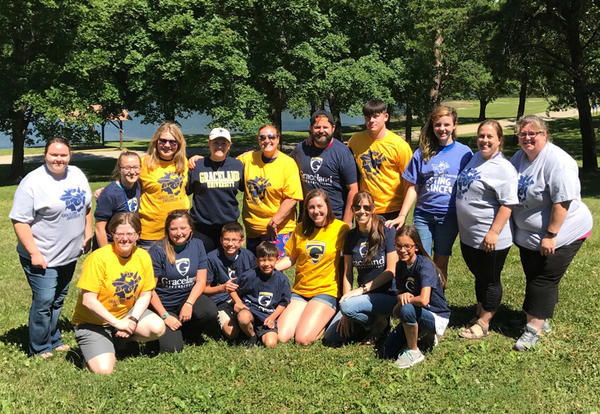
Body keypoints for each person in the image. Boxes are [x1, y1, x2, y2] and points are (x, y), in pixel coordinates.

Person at [510, 115, 592, 351]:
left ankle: (533, 328)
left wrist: (551, 234)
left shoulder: (557, 161)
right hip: (529, 236)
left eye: (532, 133)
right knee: (534, 274)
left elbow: (562, 202)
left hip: (564, 232)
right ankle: (538, 316)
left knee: (544, 278)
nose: (527, 138)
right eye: (522, 134)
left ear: (544, 135)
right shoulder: (520, 157)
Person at [10, 137, 92, 358]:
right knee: (45, 300)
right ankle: (39, 347)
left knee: (58, 299)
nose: (59, 159)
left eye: (63, 155)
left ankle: (53, 339)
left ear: (69, 155)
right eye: (54, 155)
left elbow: (87, 207)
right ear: (45, 155)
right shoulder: (33, 182)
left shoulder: (77, 174)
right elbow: (20, 221)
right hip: (42, 255)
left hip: (68, 254)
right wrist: (34, 253)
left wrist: (88, 232)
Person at [386, 105, 473, 280]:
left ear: (454, 125)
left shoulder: (465, 153)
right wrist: (403, 215)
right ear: (432, 126)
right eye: (438, 125)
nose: (442, 129)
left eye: (447, 124)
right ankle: (421, 299)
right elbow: (412, 186)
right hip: (423, 215)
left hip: (449, 216)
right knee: (420, 259)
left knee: (441, 261)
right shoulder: (422, 153)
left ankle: (437, 302)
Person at [72, 213, 165, 374]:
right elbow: (89, 301)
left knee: (157, 328)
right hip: (93, 323)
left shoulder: (143, 256)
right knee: (104, 371)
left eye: (130, 234)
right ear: (112, 234)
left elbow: (146, 293)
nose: (125, 239)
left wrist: (132, 320)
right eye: (119, 234)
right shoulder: (98, 258)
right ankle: (96, 347)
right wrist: (117, 324)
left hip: (125, 314)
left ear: (138, 235)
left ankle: (115, 341)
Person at [455, 120, 518, 339]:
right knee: (480, 276)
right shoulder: (475, 157)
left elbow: (508, 203)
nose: (485, 140)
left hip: (490, 237)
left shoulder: (503, 169)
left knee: (490, 278)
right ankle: (480, 310)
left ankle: (484, 323)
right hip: (470, 236)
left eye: (490, 136)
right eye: (481, 136)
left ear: (500, 140)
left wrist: (494, 231)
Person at [323, 191, 397, 346]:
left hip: (388, 295)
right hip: (362, 297)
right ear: (352, 209)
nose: (362, 211)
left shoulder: (387, 231)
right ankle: (370, 323)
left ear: (373, 209)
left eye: (366, 207)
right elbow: (348, 273)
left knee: (349, 308)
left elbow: (391, 270)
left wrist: (362, 290)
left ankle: (381, 322)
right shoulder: (350, 236)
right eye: (357, 207)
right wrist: (346, 303)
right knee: (332, 338)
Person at [276, 189, 349, 346]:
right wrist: (270, 268)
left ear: (328, 206)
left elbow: (349, 264)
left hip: (325, 291)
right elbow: (291, 258)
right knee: (281, 336)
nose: (316, 211)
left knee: (302, 339)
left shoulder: (341, 229)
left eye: (319, 206)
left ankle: (327, 317)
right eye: (311, 207)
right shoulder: (300, 229)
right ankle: (310, 314)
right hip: (300, 291)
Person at [149, 210, 220, 353]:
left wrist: (189, 304)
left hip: (186, 299)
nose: (178, 233)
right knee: (172, 349)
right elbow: (149, 290)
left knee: (209, 311)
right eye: (173, 229)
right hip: (165, 306)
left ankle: (187, 332)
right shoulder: (157, 250)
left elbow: (201, 281)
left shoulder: (198, 245)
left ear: (191, 229)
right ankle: (162, 333)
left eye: (183, 228)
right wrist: (165, 316)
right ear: (167, 231)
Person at [381, 225, 450, 369]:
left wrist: (403, 302)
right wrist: (401, 299)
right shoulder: (400, 266)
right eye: (398, 246)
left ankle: (414, 351)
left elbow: (424, 300)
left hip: (435, 315)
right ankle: (424, 334)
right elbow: (400, 294)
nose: (402, 250)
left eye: (407, 246)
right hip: (416, 311)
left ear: (416, 247)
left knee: (407, 308)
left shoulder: (425, 266)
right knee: (387, 351)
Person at [238, 124, 303, 256]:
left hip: (277, 230)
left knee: (274, 270)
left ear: (278, 139)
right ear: (259, 141)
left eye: (271, 136)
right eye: (263, 137)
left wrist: (274, 222)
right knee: (255, 270)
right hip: (253, 230)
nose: (267, 140)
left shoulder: (288, 164)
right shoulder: (248, 159)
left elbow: (292, 198)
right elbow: (225, 166)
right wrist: (198, 160)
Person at [347, 99, 413, 220]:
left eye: (376, 116)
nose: (371, 121)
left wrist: (402, 215)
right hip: (365, 208)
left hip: (392, 209)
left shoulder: (399, 145)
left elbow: (410, 184)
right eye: (367, 117)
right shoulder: (355, 141)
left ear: (385, 117)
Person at [290, 109, 358, 226]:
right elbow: (282, 163)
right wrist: (250, 156)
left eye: (325, 127)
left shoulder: (342, 152)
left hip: (335, 219)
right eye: (317, 127)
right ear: (311, 129)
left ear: (333, 128)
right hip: (307, 219)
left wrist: (346, 223)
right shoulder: (301, 149)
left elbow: (353, 189)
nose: (321, 131)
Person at [187, 127, 244, 252]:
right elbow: (185, 191)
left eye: (224, 143)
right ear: (209, 143)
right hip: (202, 228)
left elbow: (247, 187)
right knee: (203, 266)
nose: (219, 146)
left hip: (229, 228)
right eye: (215, 143)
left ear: (229, 145)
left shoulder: (237, 165)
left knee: (227, 266)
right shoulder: (197, 166)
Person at [138, 122, 189, 249]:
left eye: (173, 142)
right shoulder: (143, 164)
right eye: (163, 141)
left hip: (179, 232)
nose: (167, 145)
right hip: (150, 234)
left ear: (179, 144)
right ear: (156, 141)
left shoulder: (184, 164)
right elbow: (126, 183)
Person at [232, 242, 291, 347]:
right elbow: (232, 288)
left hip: (266, 316)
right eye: (263, 260)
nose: (267, 264)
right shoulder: (249, 275)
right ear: (256, 260)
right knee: (244, 317)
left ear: (277, 260)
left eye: (270, 260)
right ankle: (252, 335)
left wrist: (273, 317)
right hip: (250, 312)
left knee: (271, 344)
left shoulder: (282, 280)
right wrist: (238, 302)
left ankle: (256, 333)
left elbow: (284, 302)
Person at [205, 222, 256, 340]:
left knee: (246, 317)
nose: (230, 244)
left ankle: (247, 326)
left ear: (242, 241)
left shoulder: (248, 256)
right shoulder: (211, 258)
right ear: (221, 240)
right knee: (231, 333)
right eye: (226, 239)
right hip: (221, 300)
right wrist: (222, 288)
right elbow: (204, 289)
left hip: (245, 298)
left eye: (234, 240)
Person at [94, 151, 142, 249]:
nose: (132, 172)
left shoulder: (137, 186)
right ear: (119, 169)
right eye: (127, 168)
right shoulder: (109, 194)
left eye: (135, 167)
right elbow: (99, 228)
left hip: (126, 243)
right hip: (110, 244)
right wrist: (105, 253)